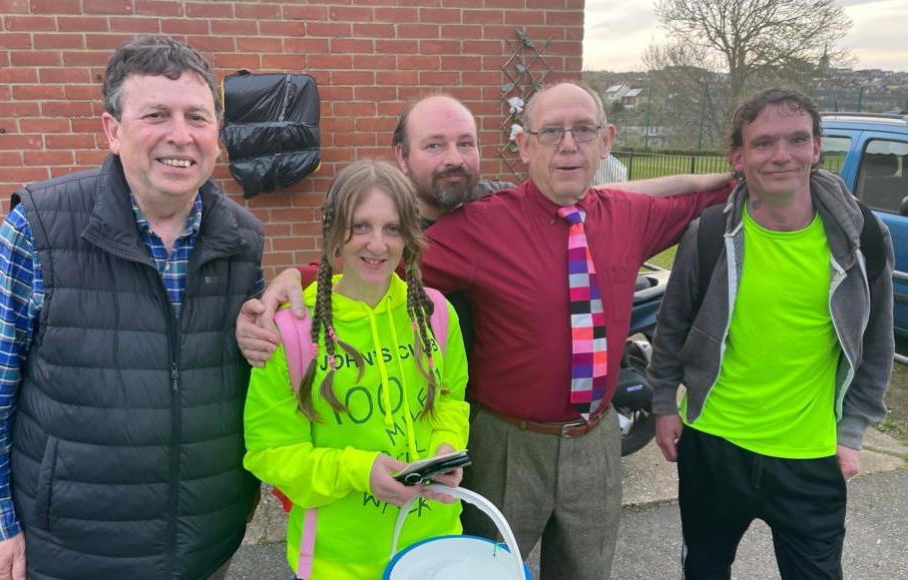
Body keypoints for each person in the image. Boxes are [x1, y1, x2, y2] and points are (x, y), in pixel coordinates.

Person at [239, 84, 733, 578]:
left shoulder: (628, 214)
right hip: (508, 444)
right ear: (524, 145)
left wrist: (745, 172)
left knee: (588, 569)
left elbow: (703, 202)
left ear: (606, 141)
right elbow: (375, 255)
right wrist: (290, 282)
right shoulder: (482, 225)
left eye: (583, 131)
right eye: (552, 132)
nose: (568, 145)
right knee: (484, 564)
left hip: (596, 437)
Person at [0, 35, 264, 579]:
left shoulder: (241, 239)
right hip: (74, 549)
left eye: (197, 116)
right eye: (156, 114)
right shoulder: (40, 227)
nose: (180, 135)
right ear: (113, 131)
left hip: (207, 543)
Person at [235, 93, 731, 363]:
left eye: (465, 143)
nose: (454, 160)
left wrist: (715, 178)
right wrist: (288, 281)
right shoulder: (384, 231)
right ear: (401, 158)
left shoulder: (497, 205)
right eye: (434, 146)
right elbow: (353, 266)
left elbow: (610, 199)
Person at [647, 88, 894, 579]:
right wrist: (662, 405)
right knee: (705, 568)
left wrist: (852, 433)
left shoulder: (861, 235)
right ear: (738, 158)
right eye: (763, 144)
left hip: (811, 455)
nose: (782, 155)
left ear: (817, 148)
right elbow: (672, 327)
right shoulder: (711, 233)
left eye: (797, 139)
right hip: (714, 443)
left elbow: (877, 344)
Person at [243, 159, 469, 579]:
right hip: (337, 562)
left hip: (434, 547)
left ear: (410, 237)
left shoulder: (436, 313)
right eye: (360, 226)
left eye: (392, 228)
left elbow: (451, 399)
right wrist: (359, 471)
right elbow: (270, 453)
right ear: (334, 235)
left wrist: (445, 447)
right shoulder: (290, 330)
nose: (378, 244)